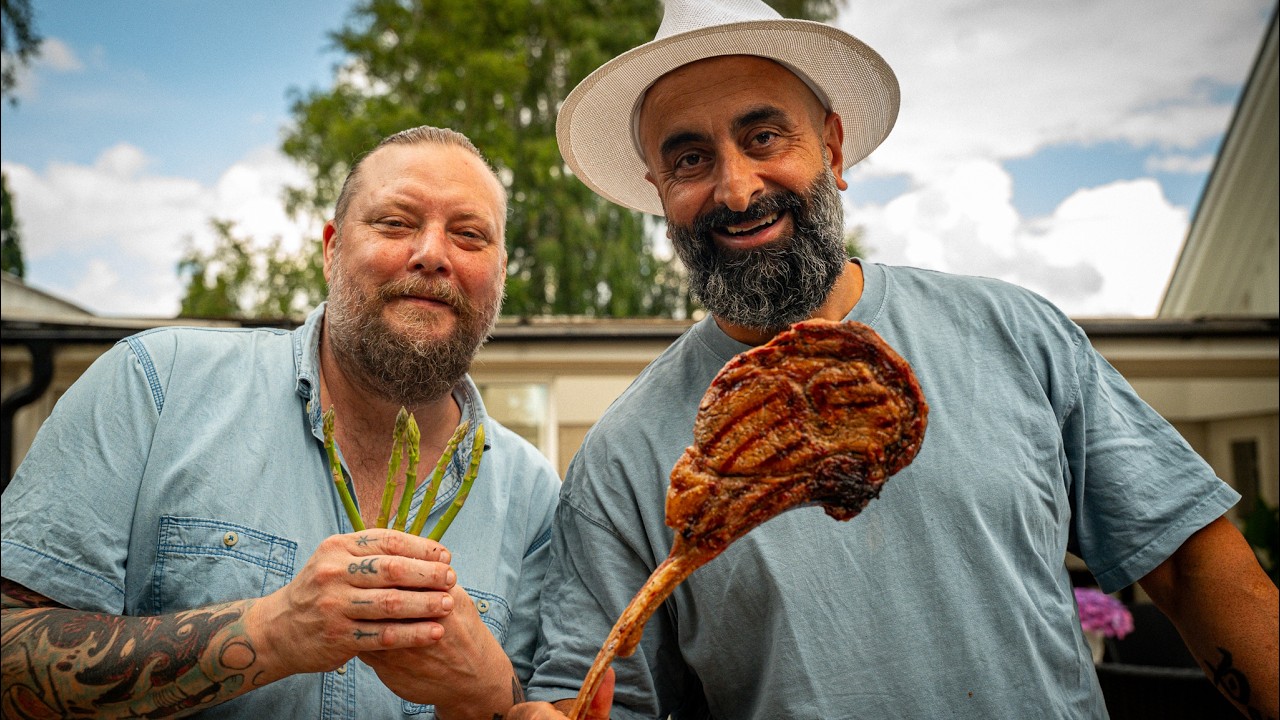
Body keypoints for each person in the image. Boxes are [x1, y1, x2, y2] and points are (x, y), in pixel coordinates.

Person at [516, 1, 1280, 718]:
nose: (738, 188)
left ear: (834, 147)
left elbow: (1189, 565)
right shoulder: (623, 458)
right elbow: (602, 699)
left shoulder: (1012, 334)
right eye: (689, 159)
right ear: (659, 192)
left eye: (764, 137)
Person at [1, 126, 563, 718]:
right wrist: (272, 632)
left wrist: (490, 694)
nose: (431, 253)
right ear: (331, 249)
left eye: (469, 235)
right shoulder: (154, 386)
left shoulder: (535, 502)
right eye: (395, 223)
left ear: (499, 275)